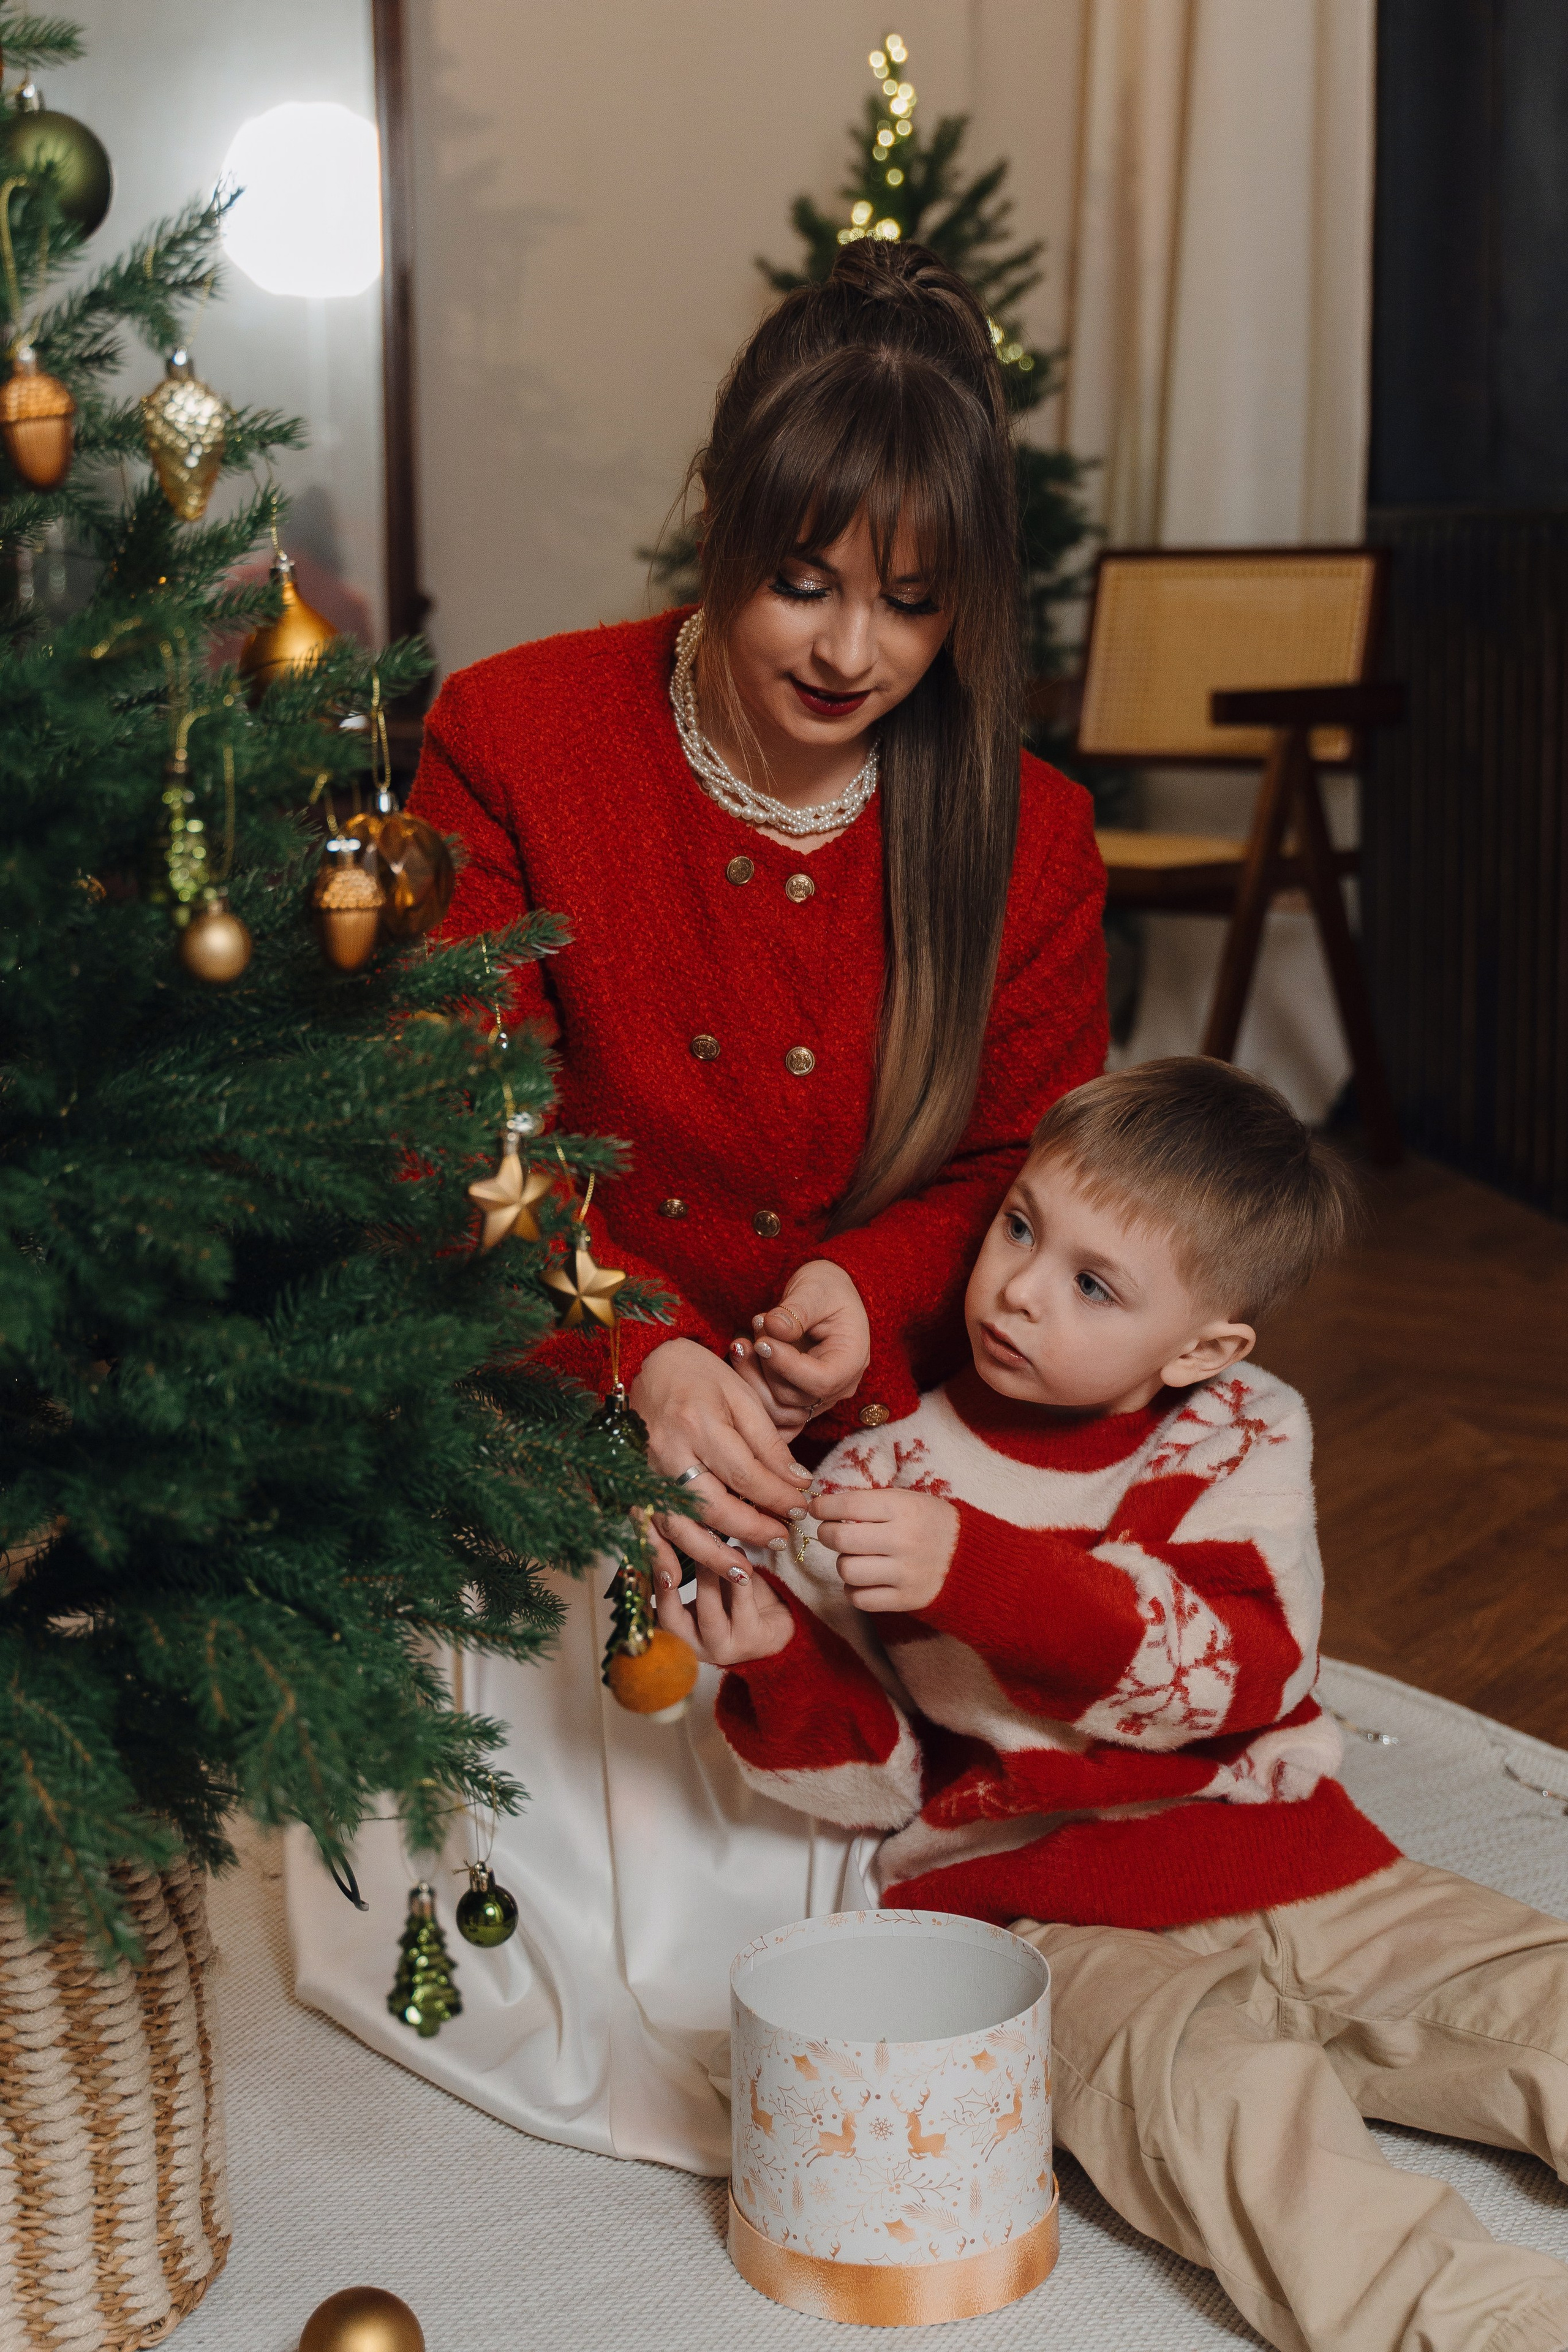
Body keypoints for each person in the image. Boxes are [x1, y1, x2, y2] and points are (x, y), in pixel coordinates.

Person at [284, 238, 1107, 2171]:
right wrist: (635, 1352)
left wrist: (875, 1283)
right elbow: (447, 1130)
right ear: (723, 518)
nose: (851, 653)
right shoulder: (514, 734)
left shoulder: (1031, 829)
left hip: (879, 1407)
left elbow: (1025, 1170)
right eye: (805, 580)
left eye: (913, 603)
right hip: (555, 1373)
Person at [680, 1057, 1568, 2352]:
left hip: (1288, 1857)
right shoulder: (880, 1474)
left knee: (1540, 1994)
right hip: (1045, 1913)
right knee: (1234, 2115)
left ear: (1202, 1348)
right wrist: (774, 1661)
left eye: (1093, 1285)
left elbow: (1239, 1673)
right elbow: (875, 1782)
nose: (1019, 1289)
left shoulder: (1243, 1430)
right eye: (1019, 1227)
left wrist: (976, 1572)